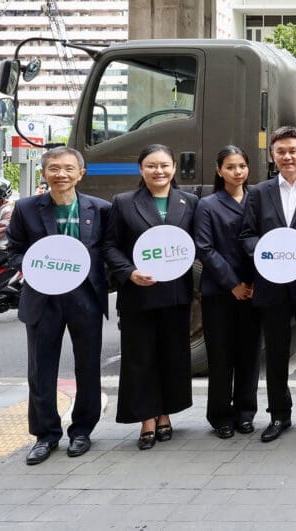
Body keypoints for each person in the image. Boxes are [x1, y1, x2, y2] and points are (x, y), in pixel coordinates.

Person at [8, 147, 110, 464]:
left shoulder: (101, 209)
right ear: (44, 173)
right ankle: (45, 435)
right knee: (41, 370)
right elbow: (14, 250)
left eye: (68, 168)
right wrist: (35, 266)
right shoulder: (26, 209)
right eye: (54, 168)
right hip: (43, 298)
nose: (61, 174)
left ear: (81, 173)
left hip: (85, 298)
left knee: (88, 368)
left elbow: (109, 250)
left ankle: (82, 431)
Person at [240, 126, 296, 443]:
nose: (287, 156)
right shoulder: (259, 192)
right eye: (281, 151)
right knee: (276, 354)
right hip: (272, 286)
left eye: (293, 150)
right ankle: (279, 415)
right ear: (272, 155)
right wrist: (268, 256)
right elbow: (247, 235)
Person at [104, 144, 197, 450]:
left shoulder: (190, 202)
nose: (159, 171)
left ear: (174, 168)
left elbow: (196, 246)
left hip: (175, 294)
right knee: (139, 357)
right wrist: (128, 272)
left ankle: (166, 413)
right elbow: (110, 246)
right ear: (140, 169)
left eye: (164, 165)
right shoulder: (124, 202)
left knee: (172, 356)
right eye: (152, 166)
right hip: (138, 294)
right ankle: (146, 419)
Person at [194, 145, 259, 439]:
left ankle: (246, 413)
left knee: (249, 355)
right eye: (230, 167)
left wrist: (255, 282)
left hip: (254, 289)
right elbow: (205, 249)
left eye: (242, 166)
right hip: (220, 291)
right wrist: (232, 284)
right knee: (220, 356)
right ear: (219, 171)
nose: (237, 172)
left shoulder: (256, 199)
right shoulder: (207, 205)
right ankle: (220, 415)